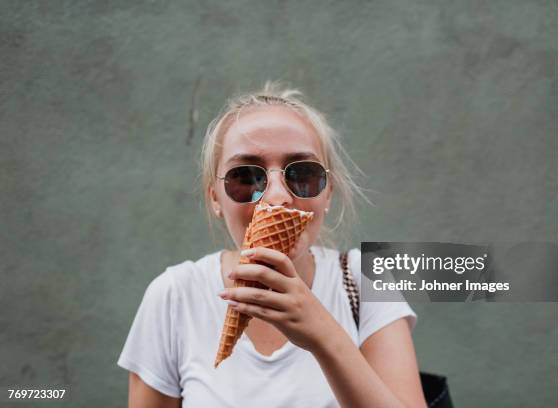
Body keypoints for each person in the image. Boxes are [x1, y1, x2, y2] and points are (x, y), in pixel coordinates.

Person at [117, 81, 427, 407]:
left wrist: (323, 335)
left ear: (328, 192)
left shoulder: (366, 281)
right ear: (215, 198)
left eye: (303, 173)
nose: (277, 197)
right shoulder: (175, 295)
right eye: (246, 177)